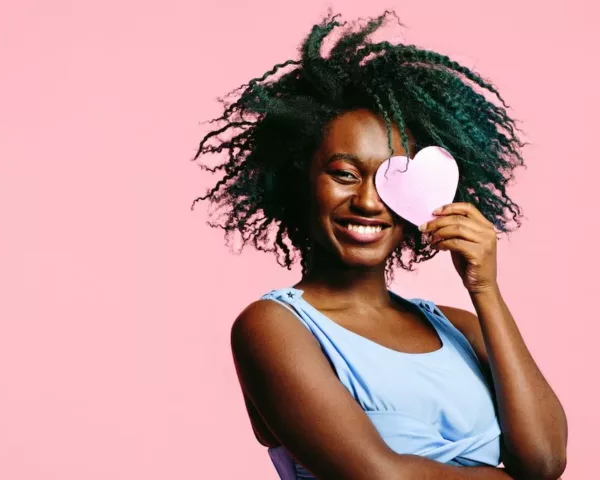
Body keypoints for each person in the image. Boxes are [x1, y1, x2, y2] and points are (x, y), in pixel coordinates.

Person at [192, 11, 567, 480]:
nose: (368, 201)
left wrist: (484, 289)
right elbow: (380, 476)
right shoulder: (273, 328)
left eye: (392, 179)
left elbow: (547, 462)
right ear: (299, 182)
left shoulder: (461, 327)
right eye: (344, 174)